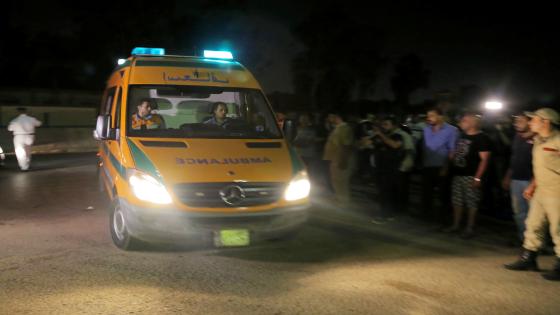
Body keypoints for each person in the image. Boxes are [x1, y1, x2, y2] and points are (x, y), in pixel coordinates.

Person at [504, 107, 560, 281]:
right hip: (541, 190)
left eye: (534, 119)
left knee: (557, 228)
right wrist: (532, 186)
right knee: (532, 224)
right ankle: (528, 258)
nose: (530, 122)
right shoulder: (538, 140)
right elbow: (541, 166)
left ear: (546, 122)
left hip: (556, 191)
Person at [443, 113, 491, 239]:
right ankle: (456, 225)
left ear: (473, 123)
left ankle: (470, 228)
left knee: (471, 203)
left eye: (464, 120)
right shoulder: (462, 135)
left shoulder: (482, 138)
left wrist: (477, 177)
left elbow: (484, 160)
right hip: (458, 174)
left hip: (470, 175)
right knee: (457, 201)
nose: (460, 123)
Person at [421, 107, 459, 223]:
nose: (428, 118)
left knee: (443, 195)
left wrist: (446, 167)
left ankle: (443, 218)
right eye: (428, 116)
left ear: (440, 116)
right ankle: (426, 216)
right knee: (426, 193)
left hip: (442, 166)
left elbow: (452, 150)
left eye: (431, 116)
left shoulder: (452, 130)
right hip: (427, 166)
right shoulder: (426, 129)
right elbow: (425, 147)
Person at [501, 113, 534, 244]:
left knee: (534, 214)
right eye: (516, 121)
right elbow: (514, 159)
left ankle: (536, 242)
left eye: (521, 121)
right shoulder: (517, 137)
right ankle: (524, 239)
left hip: (531, 180)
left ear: (530, 122)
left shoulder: (538, 138)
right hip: (516, 179)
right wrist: (508, 176)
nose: (516, 123)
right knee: (519, 213)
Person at [366, 116, 405, 222]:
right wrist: (369, 137)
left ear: (393, 125)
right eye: (383, 124)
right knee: (382, 192)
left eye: (386, 124)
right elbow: (364, 144)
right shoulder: (379, 136)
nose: (384, 126)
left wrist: (380, 135)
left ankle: (385, 214)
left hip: (390, 170)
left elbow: (395, 145)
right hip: (379, 169)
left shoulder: (397, 136)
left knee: (387, 193)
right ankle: (387, 213)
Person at [323, 111, 354, 205]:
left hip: (340, 158)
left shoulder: (345, 128)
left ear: (337, 117)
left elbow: (346, 145)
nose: (329, 119)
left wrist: (343, 160)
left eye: (331, 117)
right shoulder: (338, 128)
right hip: (335, 157)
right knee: (335, 179)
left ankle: (343, 201)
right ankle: (339, 197)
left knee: (341, 180)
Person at [7, 107, 42, 171]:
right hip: (30, 136)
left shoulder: (15, 120)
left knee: (20, 151)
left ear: (18, 112)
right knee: (28, 149)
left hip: (18, 136)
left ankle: (24, 167)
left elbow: (9, 129)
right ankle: (27, 161)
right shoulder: (31, 119)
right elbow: (39, 123)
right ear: (26, 112)